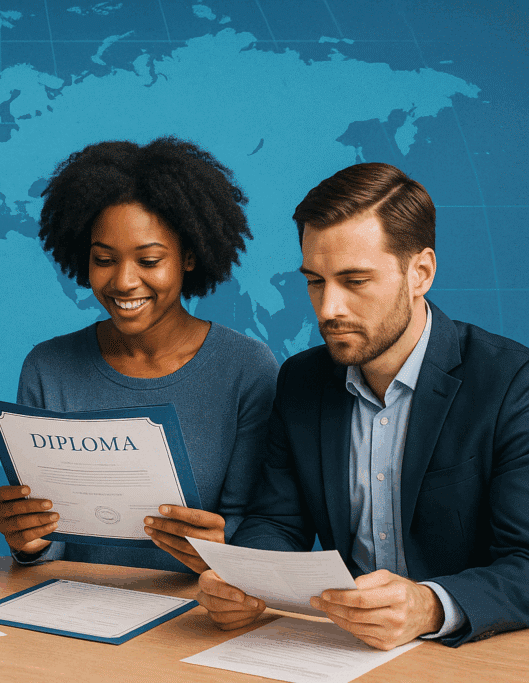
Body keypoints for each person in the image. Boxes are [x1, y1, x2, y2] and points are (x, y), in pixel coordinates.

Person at [198, 162, 529, 649]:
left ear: (420, 273)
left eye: (354, 281)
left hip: (469, 655)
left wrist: (431, 605)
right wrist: (244, 579)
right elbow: (277, 521)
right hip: (341, 649)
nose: (328, 308)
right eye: (315, 280)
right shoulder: (302, 381)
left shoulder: (510, 383)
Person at [0, 137, 279, 573]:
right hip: (77, 610)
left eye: (149, 260)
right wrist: (29, 541)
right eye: (104, 259)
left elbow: (261, 524)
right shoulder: (47, 367)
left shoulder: (247, 369)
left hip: (200, 617)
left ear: (189, 256)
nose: (124, 281)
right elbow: (50, 538)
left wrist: (224, 551)